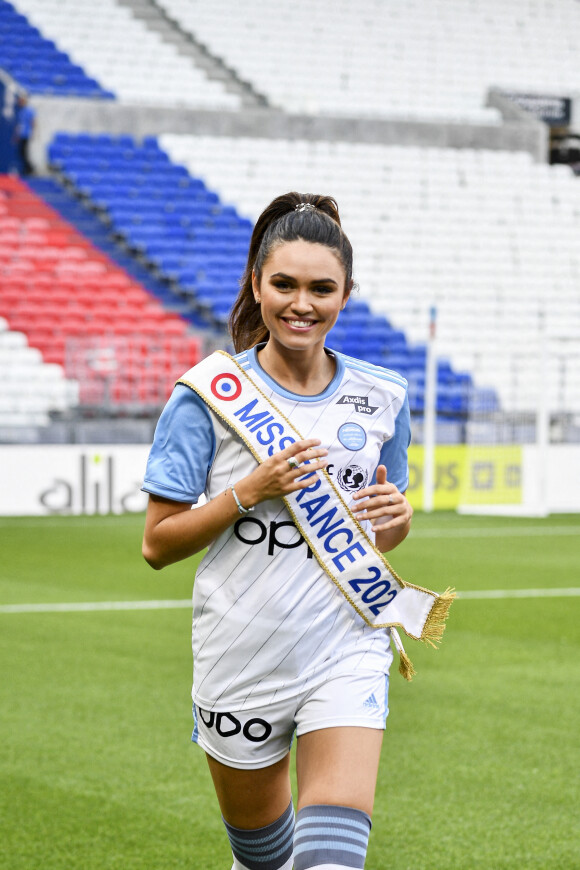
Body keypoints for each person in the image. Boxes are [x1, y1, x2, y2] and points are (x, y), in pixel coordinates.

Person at [142, 192, 415, 870]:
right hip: (242, 652)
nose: (302, 303)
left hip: (345, 648)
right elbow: (157, 544)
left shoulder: (383, 399)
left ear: (347, 294)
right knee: (264, 859)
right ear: (257, 285)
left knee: (328, 861)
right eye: (285, 284)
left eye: (322, 288)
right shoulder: (206, 395)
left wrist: (398, 525)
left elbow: (377, 535)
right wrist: (249, 491)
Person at [13, 94, 35, 177]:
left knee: (24, 152)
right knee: (21, 152)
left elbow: (33, 122)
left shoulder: (29, 110)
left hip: (26, 134)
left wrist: (33, 133)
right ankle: (27, 168)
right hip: (21, 134)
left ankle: (30, 168)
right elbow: (19, 125)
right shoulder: (20, 112)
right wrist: (16, 135)